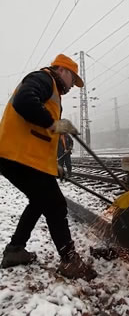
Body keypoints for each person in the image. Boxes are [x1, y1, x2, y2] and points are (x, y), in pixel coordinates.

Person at [0, 54, 97, 280]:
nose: (73, 86)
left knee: (39, 201)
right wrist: (54, 123)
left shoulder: (51, 90)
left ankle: (15, 250)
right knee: (55, 204)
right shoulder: (43, 79)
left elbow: (39, 140)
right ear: (62, 70)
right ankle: (70, 261)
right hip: (16, 155)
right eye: (73, 79)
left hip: (21, 157)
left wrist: (54, 167)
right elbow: (24, 101)